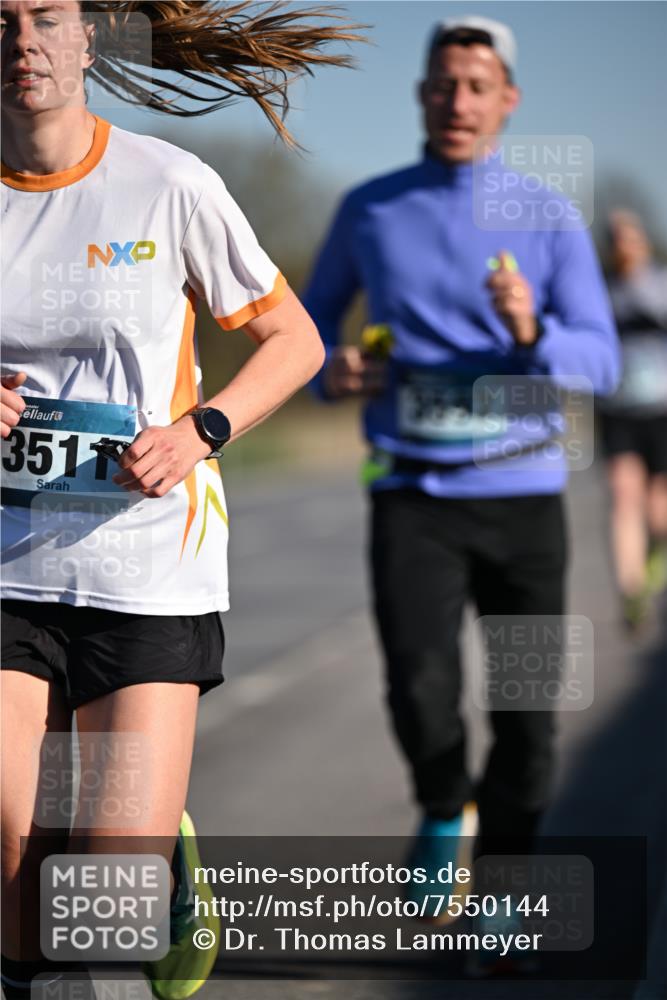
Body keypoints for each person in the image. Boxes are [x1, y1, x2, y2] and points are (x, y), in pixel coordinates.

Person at [0, 2, 361, 998]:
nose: (21, 41)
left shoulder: (168, 185)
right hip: (6, 565)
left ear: (88, 39)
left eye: (43, 18)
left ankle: (157, 881)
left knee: (103, 898)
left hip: (147, 566)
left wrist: (201, 429)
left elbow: (294, 341)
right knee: (15, 857)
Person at [303, 14, 620, 966]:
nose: (457, 101)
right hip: (411, 492)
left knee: (528, 718)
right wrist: (334, 371)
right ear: (421, 95)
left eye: (477, 86)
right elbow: (305, 332)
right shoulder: (371, 208)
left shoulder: (548, 216)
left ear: (506, 101)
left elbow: (599, 361)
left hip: (523, 500)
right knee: (420, 691)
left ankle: (508, 880)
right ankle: (445, 806)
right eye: (443, 84)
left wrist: (530, 333)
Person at [598, 209, 667, 630]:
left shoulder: (660, 286)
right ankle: (632, 592)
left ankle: (656, 557)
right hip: (618, 410)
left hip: (662, 409)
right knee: (623, 496)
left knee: (659, 508)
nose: (624, 246)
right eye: (616, 239)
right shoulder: (600, 292)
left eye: (630, 238)